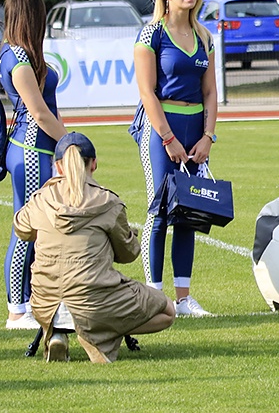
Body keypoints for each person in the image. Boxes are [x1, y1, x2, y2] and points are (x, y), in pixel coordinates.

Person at [14, 132, 176, 363]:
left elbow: (21, 228)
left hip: (44, 302)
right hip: (92, 301)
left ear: (58, 167)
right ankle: (99, 336)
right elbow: (128, 253)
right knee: (167, 310)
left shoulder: (40, 199)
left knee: (67, 292)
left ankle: (58, 333)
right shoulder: (107, 202)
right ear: (94, 164)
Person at [134, 0, 218, 316]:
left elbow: (211, 92)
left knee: (190, 211)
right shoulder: (151, 34)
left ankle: (183, 298)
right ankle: (155, 298)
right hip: (161, 130)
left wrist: (208, 137)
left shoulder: (204, 36)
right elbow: (147, 91)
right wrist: (168, 137)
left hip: (196, 130)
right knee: (159, 209)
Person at [0, 0, 67, 329]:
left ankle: (31, 303)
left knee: (36, 227)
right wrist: (70, 144)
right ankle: (17, 310)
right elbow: (38, 112)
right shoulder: (17, 57)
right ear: (32, 16)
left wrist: (65, 143)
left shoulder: (24, 54)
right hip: (30, 149)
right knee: (27, 227)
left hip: (37, 148)